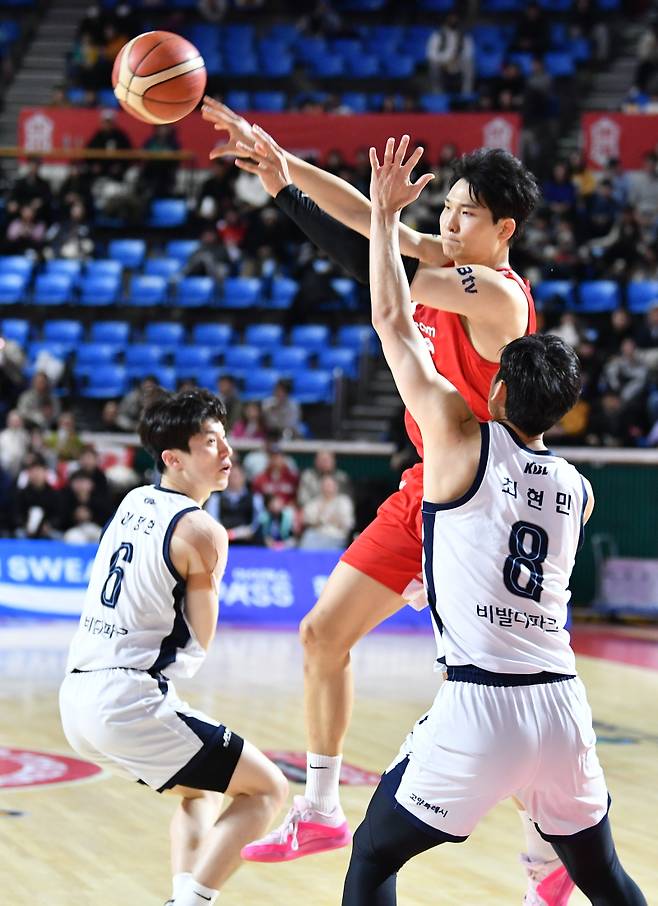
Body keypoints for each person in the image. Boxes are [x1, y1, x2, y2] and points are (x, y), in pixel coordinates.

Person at [201, 100, 572, 903]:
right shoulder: (447, 259)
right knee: (321, 633)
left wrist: (301, 200)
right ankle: (323, 805)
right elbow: (381, 231)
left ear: (503, 230)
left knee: (490, 690)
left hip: (481, 500)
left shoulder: (498, 294)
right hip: (427, 485)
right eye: (445, 208)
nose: (447, 222)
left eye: (464, 215)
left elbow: (383, 258)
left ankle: (548, 845)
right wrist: (283, 168)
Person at [340, 136, 647, 906]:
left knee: (373, 857)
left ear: (500, 391)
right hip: (564, 706)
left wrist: (381, 216)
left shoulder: (453, 439)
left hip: (483, 702)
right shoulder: (577, 487)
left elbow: (391, 317)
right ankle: (543, 859)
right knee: (606, 877)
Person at [58, 388, 288, 906]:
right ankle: (192, 902)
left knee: (201, 787)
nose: (227, 453)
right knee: (268, 790)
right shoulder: (203, 530)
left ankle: (183, 895)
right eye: (211, 442)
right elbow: (199, 639)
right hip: (125, 697)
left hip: (76, 698)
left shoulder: (133, 500)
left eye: (225, 440)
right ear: (173, 458)